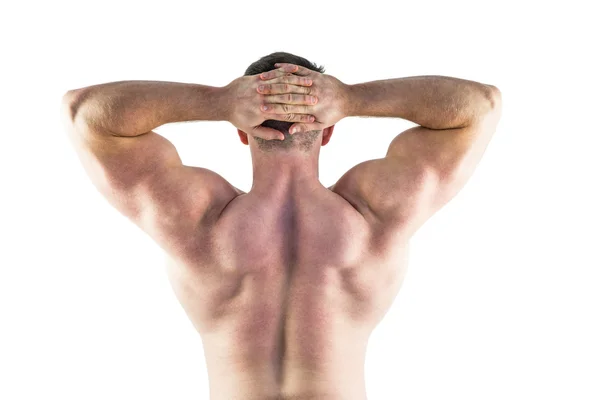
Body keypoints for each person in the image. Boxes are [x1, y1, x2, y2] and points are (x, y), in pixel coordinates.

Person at [62, 51, 502, 400]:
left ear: (240, 131)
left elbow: (85, 112)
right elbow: (480, 105)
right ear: (327, 132)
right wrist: (352, 99)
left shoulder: (197, 219)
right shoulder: (374, 214)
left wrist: (215, 102)